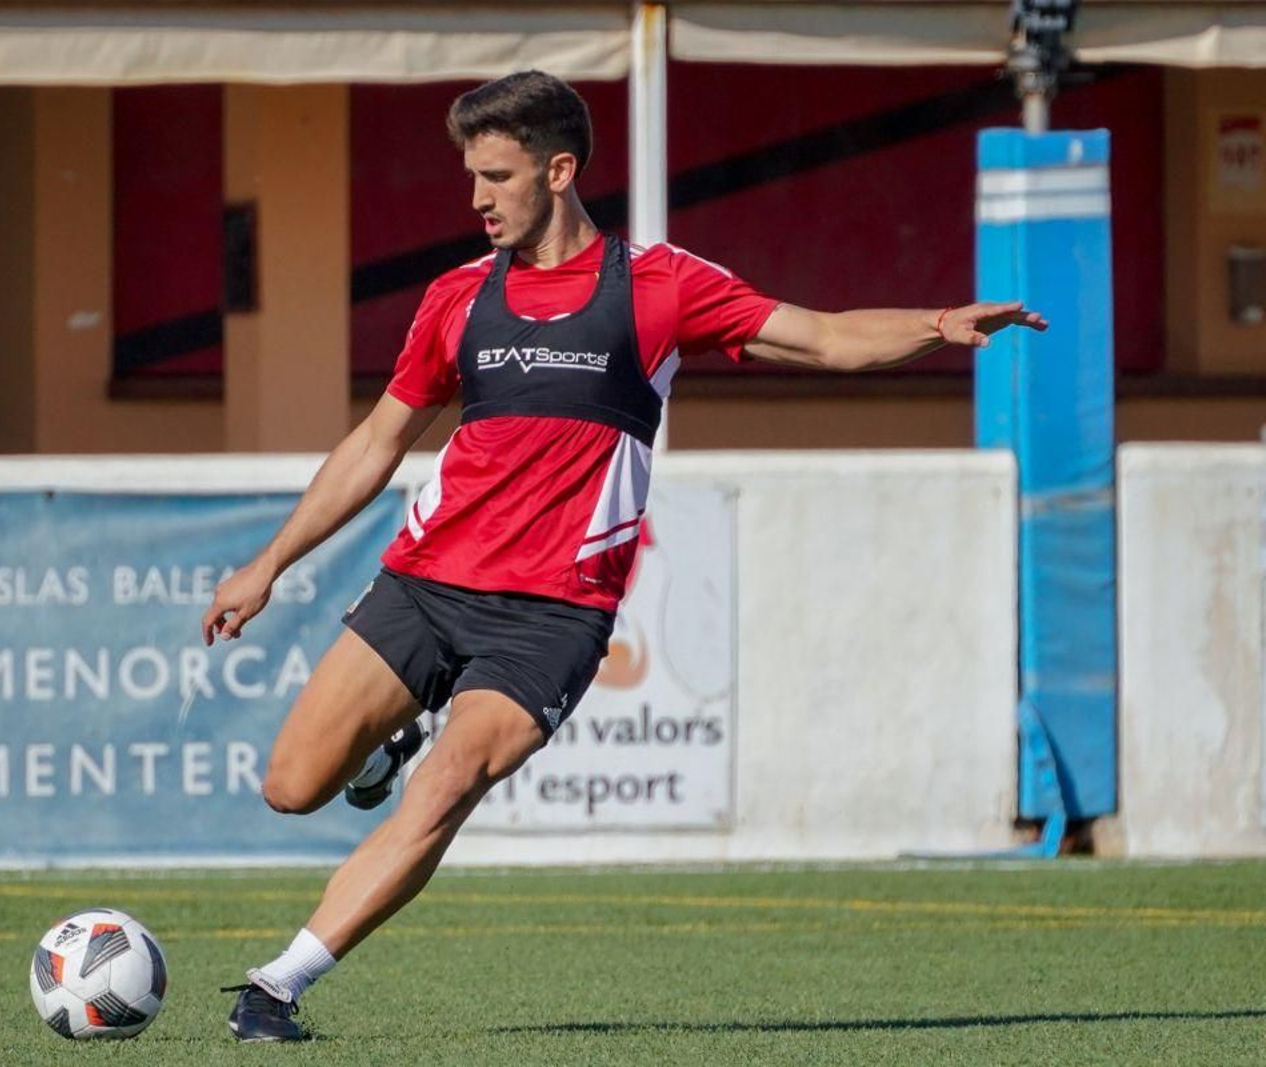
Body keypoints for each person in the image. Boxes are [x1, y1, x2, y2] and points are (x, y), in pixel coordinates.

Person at [204, 70, 1046, 1042]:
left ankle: (277, 985)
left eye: (497, 174)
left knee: (447, 784)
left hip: (552, 615)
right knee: (292, 785)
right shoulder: (455, 297)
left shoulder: (659, 283)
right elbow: (375, 444)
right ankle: (392, 735)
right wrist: (270, 562)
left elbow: (819, 338)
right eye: (470, 174)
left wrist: (936, 324)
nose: (476, 196)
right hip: (427, 581)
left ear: (558, 170)